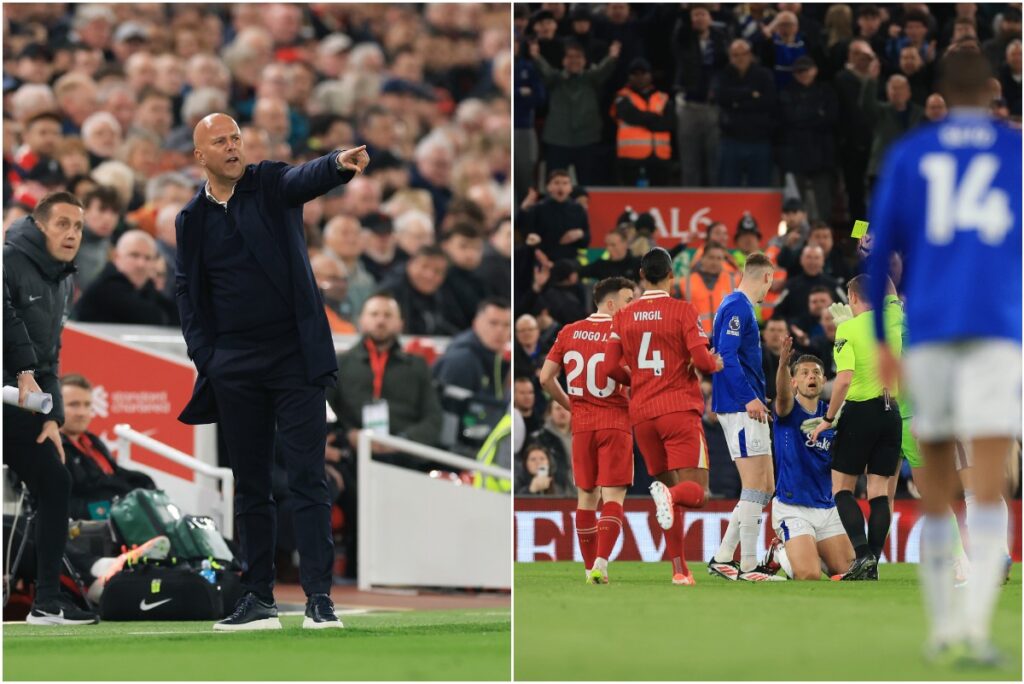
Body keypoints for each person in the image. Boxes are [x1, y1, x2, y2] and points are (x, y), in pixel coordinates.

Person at [174, 113, 369, 631]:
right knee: (251, 484)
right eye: (221, 142)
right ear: (201, 156)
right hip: (234, 365)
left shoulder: (268, 183)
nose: (233, 147)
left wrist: (337, 165)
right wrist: (207, 357)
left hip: (294, 358)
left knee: (307, 478)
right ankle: (257, 595)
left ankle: (319, 600)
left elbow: (303, 178)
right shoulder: (190, 218)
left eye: (236, 138)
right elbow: (187, 290)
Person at [864, 48, 1021, 664]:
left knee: (933, 490)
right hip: (994, 334)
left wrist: (881, 339)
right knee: (986, 487)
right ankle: (976, 632)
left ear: (939, 95)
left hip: (928, 333)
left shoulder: (910, 154)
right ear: (990, 90)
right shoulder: (1015, 152)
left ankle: (938, 631)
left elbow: (877, 259)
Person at [599, 249, 724, 585]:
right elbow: (701, 360)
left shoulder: (623, 316)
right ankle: (668, 504)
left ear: (642, 275)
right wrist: (715, 363)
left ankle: (680, 570)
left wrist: (639, 380)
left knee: (672, 496)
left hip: (643, 417)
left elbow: (610, 367)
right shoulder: (683, 310)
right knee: (696, 493)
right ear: (672, 275)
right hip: (678, 411)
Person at [3, 191, 98, 625]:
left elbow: (52, 354)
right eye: (62, 224)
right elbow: (4, 316)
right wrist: (22, 369)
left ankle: (46, 603)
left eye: (77, 227)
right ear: (39, 226)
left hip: (22, 400)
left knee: (55, 481)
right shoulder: (6, 258)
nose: (72, 234)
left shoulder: (63, 277)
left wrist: (54, 417)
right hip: (12, 388)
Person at [539, 276, 636, 584]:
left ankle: (587, 568)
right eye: (628, 300)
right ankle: (601, 564)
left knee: (585, 497)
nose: (631, 307)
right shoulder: (623, 331)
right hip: (615, 421)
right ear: (611, 304)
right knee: (613, 497)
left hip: (581, 426)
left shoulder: (567, 331)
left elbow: (544, 378)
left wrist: (570, 405)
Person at [809, 274, 903, 581]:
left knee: (842, 489)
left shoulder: (847, 327)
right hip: (892, 413)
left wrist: (828, 418)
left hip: (860, 411)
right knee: (878, 491)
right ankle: (872, 564)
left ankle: (862, 555)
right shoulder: (893, 318)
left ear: (851, 298)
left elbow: (845, 378)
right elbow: (889, 286)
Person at [707, 252, 784, 582]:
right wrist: (749, 397)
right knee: (754, 486)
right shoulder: (738, 307)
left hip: (747, 404)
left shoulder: (732, 305)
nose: (770, 290)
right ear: (766, 277)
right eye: (771, 282)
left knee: (764, 487)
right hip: (740, 407)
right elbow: (725, 355)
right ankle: (750, 565)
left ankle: (724, 557)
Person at [764, 340, 854, 580]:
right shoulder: (787, 410)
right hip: (793, 508)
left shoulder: (831, 416)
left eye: (816, 372)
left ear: (824, 380)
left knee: (849, 573)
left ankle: (810, 551)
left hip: (826, 506)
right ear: (794, 382)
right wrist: (783, 364)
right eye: (804, 373)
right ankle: (781, 551)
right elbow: (782, 397)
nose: (811, 376)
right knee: (808, 576)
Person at [73, 229, 179, 326]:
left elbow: (177, 315)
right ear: (116, 256)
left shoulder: (146, 287)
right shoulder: (107, 287)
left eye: (148, 258)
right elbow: (153, 317)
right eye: (134, 255)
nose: (141, 264)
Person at [433, 297, 511, 402]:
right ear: (476, 324)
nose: (500, 331)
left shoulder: (497, 359)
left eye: (506, 325)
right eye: (493, 323)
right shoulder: (461, 360)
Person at [610, 58, 674, 186]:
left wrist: (644, 119)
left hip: (660, 158)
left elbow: (670, 123)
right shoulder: (622, 96)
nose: (640, 77)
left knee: (661, 199)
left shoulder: (662, 97)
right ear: (629, 77)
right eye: (635, 74)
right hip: (631, 159)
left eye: (643, 73)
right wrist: (654, 117)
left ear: (650, 75)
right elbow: (631, 116)